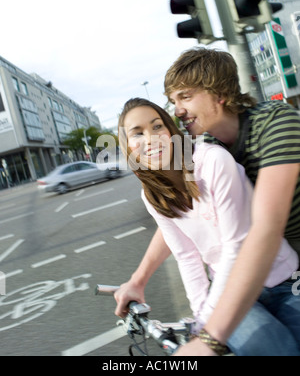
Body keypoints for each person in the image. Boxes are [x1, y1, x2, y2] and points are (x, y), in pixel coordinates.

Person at [115, 97, 300, 356]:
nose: (151, 138)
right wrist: (202, 318)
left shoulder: (212, 160)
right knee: (278, 350)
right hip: (227, 293)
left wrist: (208, 335)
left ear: (170, 130)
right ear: (128, 146)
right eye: (137, 133)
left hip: (283, 280)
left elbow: (236, 247)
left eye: (157, 126)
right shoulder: (151, 197)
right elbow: (186, 257)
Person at [162, 47, 300, 355]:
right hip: (254, 273)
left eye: (185, 96)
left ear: (219, 93)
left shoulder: (276, 122)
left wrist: (210, 340)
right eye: (173, 102)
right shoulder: (209, 147)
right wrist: (139, 278)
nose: (177, 110)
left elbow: (266, 227)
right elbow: (183, 214)